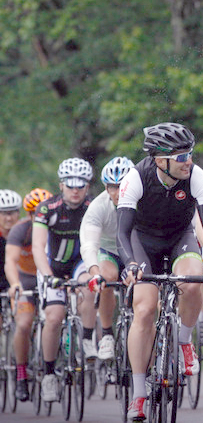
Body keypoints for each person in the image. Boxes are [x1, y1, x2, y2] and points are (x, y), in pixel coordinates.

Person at [116, 122, 203, 420]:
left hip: (180, 238)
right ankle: (139, 393)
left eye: (189, 153)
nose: (187, 160)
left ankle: (185, 341)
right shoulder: (136, 178)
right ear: (159, 159)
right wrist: (131, 265)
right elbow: (122, 234)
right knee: (146, 308)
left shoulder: (197, 176)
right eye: (179, 157)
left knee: (192, 283)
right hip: (142, 243)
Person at [32, 158, 93, 403]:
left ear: (88, 186)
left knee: (90, 285)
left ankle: (88, 341)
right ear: (61, 185)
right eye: (70, 184)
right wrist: (48, 277)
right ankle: (48, 374)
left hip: (80, 263)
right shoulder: (48, 208)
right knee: (55, 316)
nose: (75, 189)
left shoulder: (92, 206)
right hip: (52, 266)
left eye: (81, 184)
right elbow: (38, 246)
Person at [80, 156, 134, 361]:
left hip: (135, 251)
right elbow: (89, 244)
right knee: (107, 277)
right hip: (109, 251)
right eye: (112, 187)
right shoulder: (98, 206)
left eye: (123, 186)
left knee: (142, 282)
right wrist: (95, 273)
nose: (118, 192)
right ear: (105, 187)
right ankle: (107, 334)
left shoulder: (143, 202)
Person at [5, 188, 53, 402]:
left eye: (43, 211)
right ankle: (21, 374)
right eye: (34, 213)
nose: (39, 216)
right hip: (25, 279)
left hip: (50, 277)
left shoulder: (59, 227)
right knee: (24, 324)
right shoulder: (20, 230)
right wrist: (15, 283)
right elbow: (11, 261)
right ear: (28, 214)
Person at [0, 190, 22, 293]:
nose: (8, 218)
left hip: (20, 282)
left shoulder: (26, 234)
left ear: (18, 213)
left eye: (12, 212)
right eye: (4, 213)